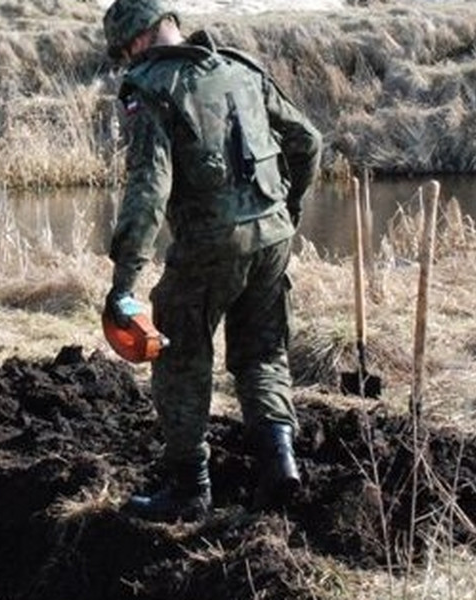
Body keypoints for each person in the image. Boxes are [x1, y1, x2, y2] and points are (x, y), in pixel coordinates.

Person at [100, 0, 323, 521]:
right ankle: (279, 467)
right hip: (272, 238)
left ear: (134, 42)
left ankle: (189, 490)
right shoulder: (237, 66)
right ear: (170, 23)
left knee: (179, 360)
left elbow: (148, 192)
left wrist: (123, 282)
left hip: (209, 246)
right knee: (263, 355)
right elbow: (307, 141)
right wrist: (285, 211)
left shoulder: (149, 87)